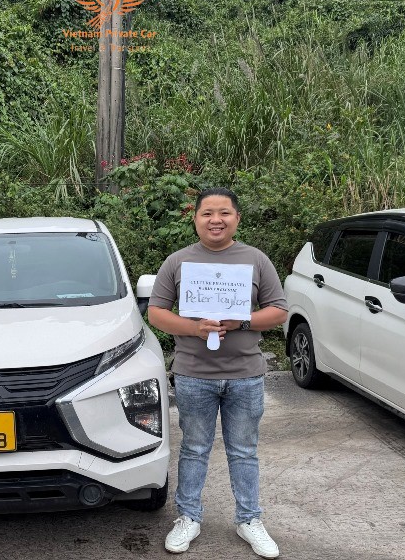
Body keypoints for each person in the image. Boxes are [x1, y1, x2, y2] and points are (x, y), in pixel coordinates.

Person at [148, 187, 288, 559]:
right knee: (194, 449)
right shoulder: (178, 261)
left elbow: (278, 310)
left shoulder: (255, 259)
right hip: (194, 374)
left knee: (244, 450)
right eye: (207, 213)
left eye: (224, 213)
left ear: (237, 218)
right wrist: (194, 329)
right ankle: (188, 517)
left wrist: (242, 321)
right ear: (195, 219)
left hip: (245, 374)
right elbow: (156, 313)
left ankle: (249, 519)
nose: (216, 220)